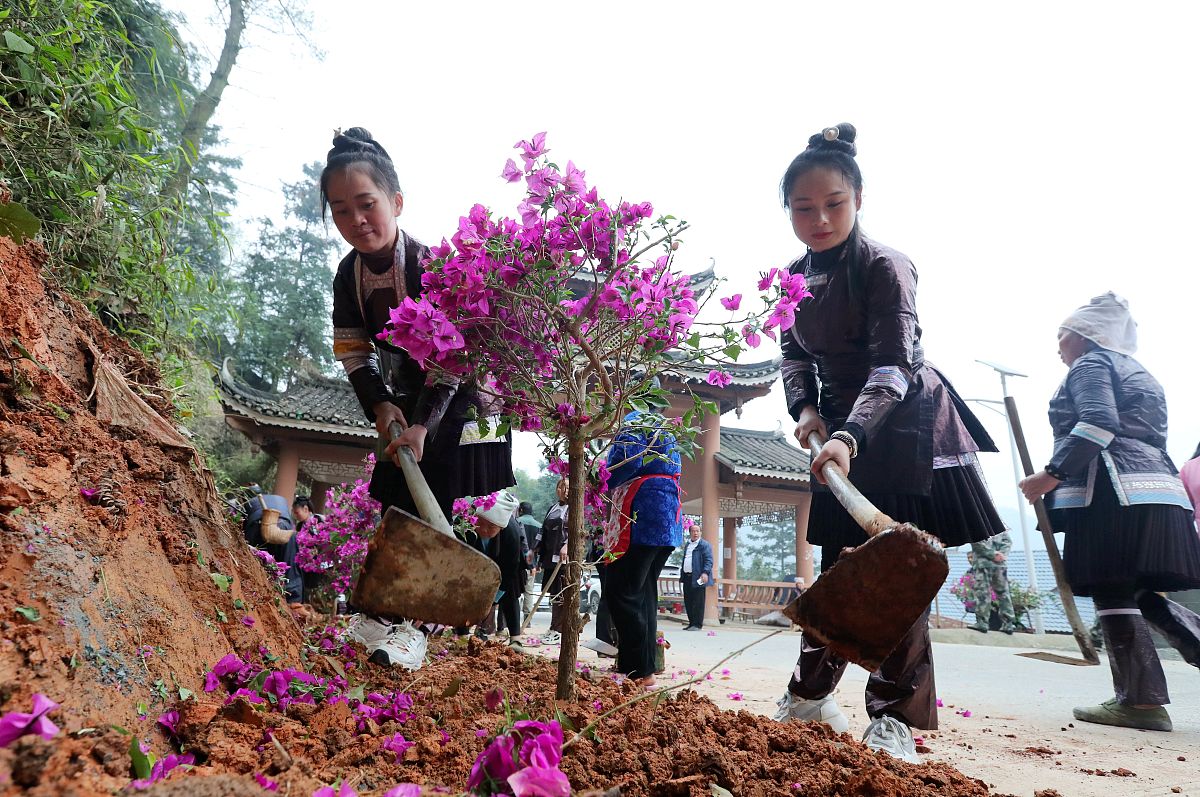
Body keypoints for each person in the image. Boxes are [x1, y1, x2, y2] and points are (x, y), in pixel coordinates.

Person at [772, 123, 1007, 763]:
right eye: (803, 208)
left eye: (834, 204)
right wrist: (808, 410)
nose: (819, 219)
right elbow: (793, 358)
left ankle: (893, 715)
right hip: (840, 423)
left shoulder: (886, 267)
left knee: (897, 567)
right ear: (787, 209)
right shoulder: (790, 279)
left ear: (859, 198)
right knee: (840, 565)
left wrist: (849, 433)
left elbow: (894, 366)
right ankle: (809, 696)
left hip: (902, 420)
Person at [322, 127, 515, 668]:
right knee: (394, 498)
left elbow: (452, 355)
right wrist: (382, 406)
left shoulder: (428, 263)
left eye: (366, 205)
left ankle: (415, 628)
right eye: (340, 211)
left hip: (462, 398)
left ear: (396, 202)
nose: (356, 221)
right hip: (406, 399)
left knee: (437, 505)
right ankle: (378, 615)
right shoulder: (347, 275)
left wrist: (424, 424)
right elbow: (354, 352)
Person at [1019, 293, 1200, 732]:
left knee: (1112, 588)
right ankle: (1142, 698)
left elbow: (1099, 424)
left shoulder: (1092, 365)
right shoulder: (1141, 373)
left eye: (1061, 334)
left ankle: (1139, 702)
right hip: (1159, 491)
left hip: (1113, 494)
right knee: (1136, 592)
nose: (1057, 344)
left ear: (1084, 336)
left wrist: (1050, 475)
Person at [602, 411, 683, 687]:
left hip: (643, 510)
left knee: (622, 590)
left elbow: (624, 462)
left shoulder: (637, 421)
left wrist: (598, 479)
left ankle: (639, 670)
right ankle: (636, 667)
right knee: (643, 591)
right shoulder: (666, 427)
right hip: (668, 512)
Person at [469, 491, 526, 647]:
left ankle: (515, 638)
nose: (485, 530)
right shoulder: (467, 525)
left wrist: (496, 597)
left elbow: (510, 568)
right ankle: (464, 631)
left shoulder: (511, 532)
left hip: (506, 568)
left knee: (509, 595)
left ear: (501, 527)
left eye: (491, 527)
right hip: (478, 565)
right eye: (482, 523)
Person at [241, 488, 303, 608]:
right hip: (275, 528)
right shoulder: (275, 508)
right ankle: (292, 600)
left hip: (263, 527)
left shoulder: (251, 506)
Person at [532, 478, 570, 645]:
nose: (564, 490)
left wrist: (568, 545)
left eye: (567, 487)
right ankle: (554, 628)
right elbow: (542, 531)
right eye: (561, 486)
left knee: (562, 594)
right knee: (554, 594)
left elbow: (580, 532)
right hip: (550, 558)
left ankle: (559, 630)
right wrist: (533, 549)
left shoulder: (574, 509)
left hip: (564, 560)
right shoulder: (552, 508)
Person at [967, 531, 1016, 634]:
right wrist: (1001, 555)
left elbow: (976, 543)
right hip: (1000, 565)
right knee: (1003, 593)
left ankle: (982, 623)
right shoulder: (998, 525)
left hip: (983, 564)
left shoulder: (978, 524)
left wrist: (992, 554)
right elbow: (1008, 541)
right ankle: (1008, 624)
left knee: (982, 593)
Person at [292, 495, 327, 608]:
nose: (296, 516)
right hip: (306, 566)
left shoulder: (317, 521)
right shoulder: (301, 526)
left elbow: (323, 542)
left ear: (306, 509)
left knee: (318, 598)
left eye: (297, 513)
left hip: (319, 566)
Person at [680, 522, 714, 630]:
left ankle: (697, 624)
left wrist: (705, 573)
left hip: (698, 577)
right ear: (689, 533)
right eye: (693, 531)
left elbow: (709, 560)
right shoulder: (688, 545)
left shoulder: (704, 545)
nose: (695, 533)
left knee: (698, 601)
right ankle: (691, 623)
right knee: (688, 600)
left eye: (697, 531)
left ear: (700, 532)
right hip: (687, 576)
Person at [516, 500, 543, 621]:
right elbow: (541, 545)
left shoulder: (516, 522)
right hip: (532, 564)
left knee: (514, 591)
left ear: (521, 510)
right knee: (529, 591)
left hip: (517, 562)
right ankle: (527, 620)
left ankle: (512, 619)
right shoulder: (539, 526)